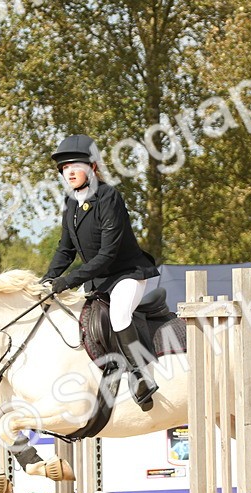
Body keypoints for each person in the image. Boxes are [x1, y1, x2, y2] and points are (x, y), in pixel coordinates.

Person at [41, 134, 161, 409]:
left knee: (119, 316)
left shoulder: (108, 196)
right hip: (97, 279)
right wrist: (47, 279)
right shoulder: (71, 202)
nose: (69, 172)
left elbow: (107, 255)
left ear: (93, 167)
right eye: (65, 168)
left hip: (126, 274)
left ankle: (140, 376)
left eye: (76, 166)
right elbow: (65, 250)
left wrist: (68, 281)